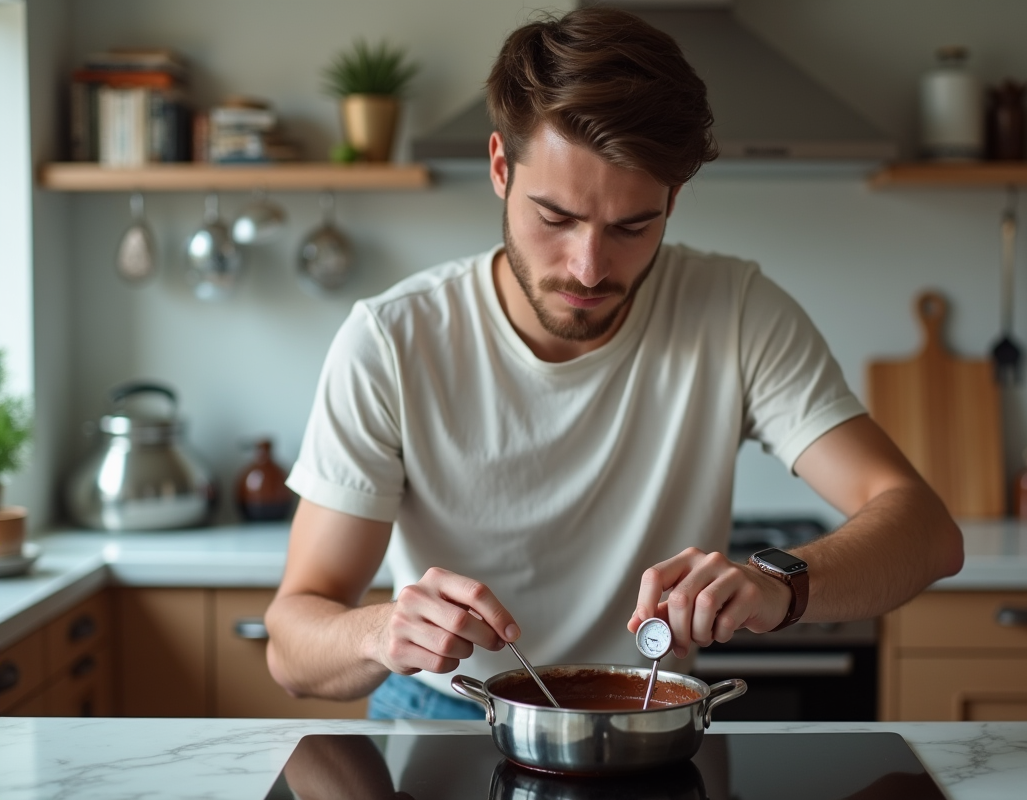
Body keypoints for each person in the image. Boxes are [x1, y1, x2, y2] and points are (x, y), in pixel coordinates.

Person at [264, 7, 963, 720]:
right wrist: (383, 631)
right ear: (502, 169)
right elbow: (292, 648)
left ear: (673, 199)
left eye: (632, 226)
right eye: (556, 217)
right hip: (442, 714)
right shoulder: (390, 340)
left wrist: (780, 586)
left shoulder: (737, 311)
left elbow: (926, 532)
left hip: (653, 715)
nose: (589, 268)